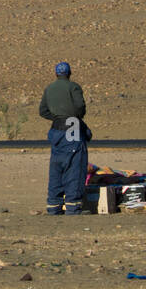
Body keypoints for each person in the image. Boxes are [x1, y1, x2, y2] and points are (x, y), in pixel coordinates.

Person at [39, 61, 91, 215]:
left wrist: (57, 117)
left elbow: (42, 111)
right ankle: (73, 206)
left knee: (57, 167)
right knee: (75, 166)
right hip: (72, 128)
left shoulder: (49, 88)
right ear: (69, 73)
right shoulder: (73, 87)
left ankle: (53, 205)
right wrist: (74, 118)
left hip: (56, 130)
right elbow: (80, 108)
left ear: (56, 74)